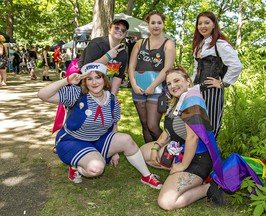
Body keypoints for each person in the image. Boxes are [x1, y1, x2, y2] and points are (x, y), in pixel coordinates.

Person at [140, 66, 266, 210]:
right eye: (169, 84)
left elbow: (193, 138)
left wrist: (181, 166)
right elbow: (168, 131)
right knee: (143, 153)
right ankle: (177, 174)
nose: (173, 86)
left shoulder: (192, 101)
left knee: (166, 202)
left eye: (177, 80)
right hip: (182, 150)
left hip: (198, 159)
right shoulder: (178, 100)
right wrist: (155, 147)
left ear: (188, 81)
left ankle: (209, 187)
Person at [37, 62, 162, 189]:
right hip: (72, 141)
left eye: (98, 77)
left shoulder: (112, 100)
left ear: (105, 79)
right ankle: (75, 166)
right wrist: (67, 80)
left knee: (126, 139)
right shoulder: (77, 94)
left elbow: (114, 124)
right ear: (84, 81)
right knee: (96, 168)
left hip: (98, 140)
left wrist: (115, 152)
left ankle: (147, 176)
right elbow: (42, 95)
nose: (94, 82)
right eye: (89, 79)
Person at [191, 11, 242, 137]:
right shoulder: (199, 45)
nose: (203, 26)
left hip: (212, 90)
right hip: (197, 89)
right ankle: (198, 153)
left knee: (211, 124)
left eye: (207, 22)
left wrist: (223, 83)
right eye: (200, 23)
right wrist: (191, 84)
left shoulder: (220, 44)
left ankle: (211, 154)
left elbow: (236, 65)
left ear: (214, 24)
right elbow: (196, 68)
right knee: (196, 122)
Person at [128, 11, 176, 143]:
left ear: (163, 25)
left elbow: (167, 69)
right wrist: (133, 84)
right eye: (152, 22)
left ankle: (170, 151)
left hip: (157, 89)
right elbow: (131, 66)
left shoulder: (169, 44)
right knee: (144, 124)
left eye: (159, 22)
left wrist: (152, 86)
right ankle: (148, 153)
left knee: (153, 126)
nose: (156, 25)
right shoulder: (139, 43)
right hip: (138, 88)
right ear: (148, 25)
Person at [81, 19, 129, 95]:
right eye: (116, 28)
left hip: (105, 93)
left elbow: (118, 77)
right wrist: (108, 56)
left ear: (125, 34)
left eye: (123, 30)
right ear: (109, 29)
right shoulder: (96, 44)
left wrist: (112, 97)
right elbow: (86, 69)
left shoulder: (123, 53)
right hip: (85, 90)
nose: (120, 31)